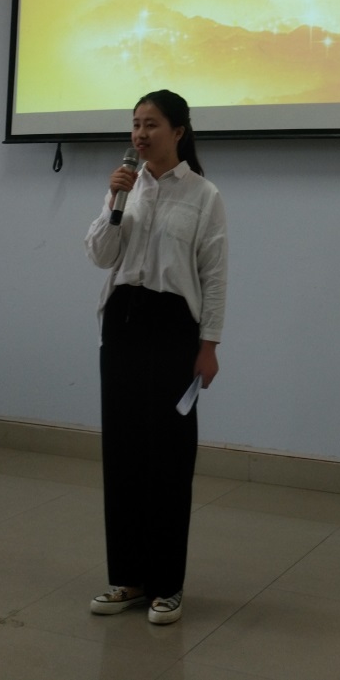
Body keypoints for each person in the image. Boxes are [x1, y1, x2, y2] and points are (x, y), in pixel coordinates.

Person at [84, 89, 227, 626]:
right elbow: (100, 256)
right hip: (123, 322)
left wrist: (209, 345)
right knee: (122, 453)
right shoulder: (126, 188)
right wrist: (113, 203)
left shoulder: (204, 195)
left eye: (152, 124)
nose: (140, 134)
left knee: (168, 457)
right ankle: (127, 577)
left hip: (173, 329)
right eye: (136, 124)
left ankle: (167, 584)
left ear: (179, 132)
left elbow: (214, 275)